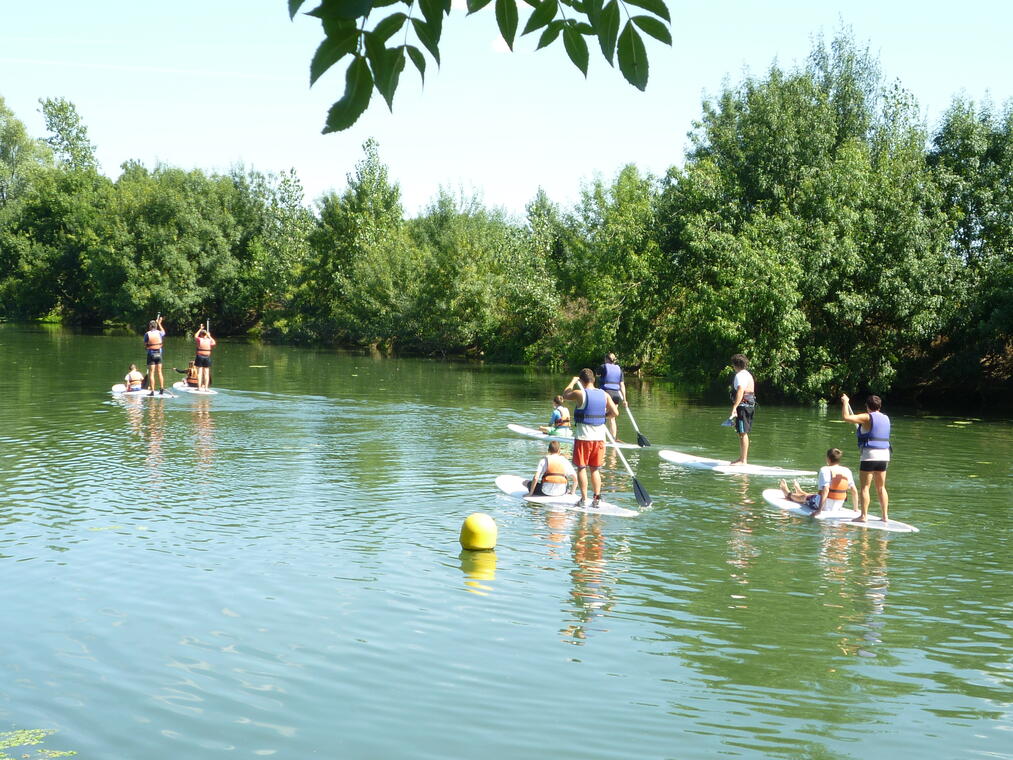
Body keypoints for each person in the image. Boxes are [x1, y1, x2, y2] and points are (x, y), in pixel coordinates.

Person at [563, 368, 619, 508]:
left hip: (584, 438)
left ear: (582, 381)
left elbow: (564, 395)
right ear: (593, 380)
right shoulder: (604, 394)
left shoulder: (579, 393)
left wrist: (572, 382)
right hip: (600, 439)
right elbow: (615, 412)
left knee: (582, 468)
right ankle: (596, 499)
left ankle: (583, 499)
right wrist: (602, 417)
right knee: (595, 469)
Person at [842, 393, 891, 523]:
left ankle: (863, 516)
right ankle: (885, 516)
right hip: (884, 455)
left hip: (870, 455)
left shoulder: (866, 417)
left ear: (868, 406)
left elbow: (846, 417)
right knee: (881, 487)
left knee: (865, 487)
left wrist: (845, 402)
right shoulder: (886, 418)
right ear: (879, 406)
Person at [777, 448, 859, 517]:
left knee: (804, 498)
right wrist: (855, 509)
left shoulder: (825, 470)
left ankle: (787, 494)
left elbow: (826, 490)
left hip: (824, 506)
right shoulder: (846, 470)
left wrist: (819, 511)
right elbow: (854, 490)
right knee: (814, 496)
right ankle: (800, 491)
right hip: (838, 505)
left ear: (828, 459)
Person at [727, 353, 756, 465]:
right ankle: (742, 459)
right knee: (741, 432)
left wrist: (734, 407)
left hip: (743, 406)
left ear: (735, 365)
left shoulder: (740, 376)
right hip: (748, 405)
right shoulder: (747, 374)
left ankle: (743, 460)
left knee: (743, 432)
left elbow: (740, 390)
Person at [597, 352, 627, 440]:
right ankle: (613, 439)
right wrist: (625, 400)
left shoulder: (603, 367)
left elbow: (595, 376)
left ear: (606, 359)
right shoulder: (619, 369)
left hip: (606, 393)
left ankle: (601, 438)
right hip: (616, 395)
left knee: (601, 415)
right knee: (612, 418)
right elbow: (622, 385)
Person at [144, 316, 166, 395]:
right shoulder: (159, 332)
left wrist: (147, 348)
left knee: (152, 372)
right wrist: (160, 323)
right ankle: (162, 388)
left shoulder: (147, 334)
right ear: (156, 326)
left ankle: (152, 391)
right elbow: (164, 332)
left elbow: (145, 344)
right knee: (160, 372)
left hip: (151, 354)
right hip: (159, 354)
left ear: (150, 326)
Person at [194, 326, 216, 392]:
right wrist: (209, 336)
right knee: (206, 373)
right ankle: (206, 388)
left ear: (201, 334)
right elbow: (214, 343)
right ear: (206, 335)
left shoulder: (199, 339)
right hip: (206, 357)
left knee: (200, 373)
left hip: (200, 357)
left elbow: (195, 336)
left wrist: (200, 329)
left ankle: (199, 387)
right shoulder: (209, 340)